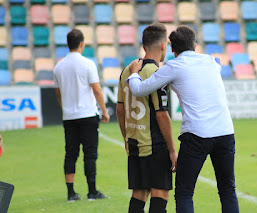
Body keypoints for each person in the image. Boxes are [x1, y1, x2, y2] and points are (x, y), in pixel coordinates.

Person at [127, 26, 239, 213]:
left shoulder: (173, 66)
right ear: (195, 45)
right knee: (228, 190)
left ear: (171, 49)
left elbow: (139, 90)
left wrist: (133, 73)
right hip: (225, 131)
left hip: (197, 134)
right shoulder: (211, 61)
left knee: (185, 192)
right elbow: (218, 63)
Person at [117, 23, 177, 213]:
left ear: (144, 47)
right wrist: (172, 149)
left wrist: (126, 137)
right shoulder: (157, 74)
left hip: (134, 141)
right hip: (154, 144)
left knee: (140, 192)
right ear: (163, 46)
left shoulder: (127, 71)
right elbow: (161, 114)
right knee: (160, 193)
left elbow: (120, 109)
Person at [53, 29, 110, 202]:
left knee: (70, 154)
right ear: (82, 44)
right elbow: (97, 90)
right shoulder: (88, 64)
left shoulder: (58, 67)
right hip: (87, 114)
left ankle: (71, 193)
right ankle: (92, 191)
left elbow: (58, 93)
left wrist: (66, 109)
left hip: (69, 116)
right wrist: (104, 111)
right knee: (90, 154)